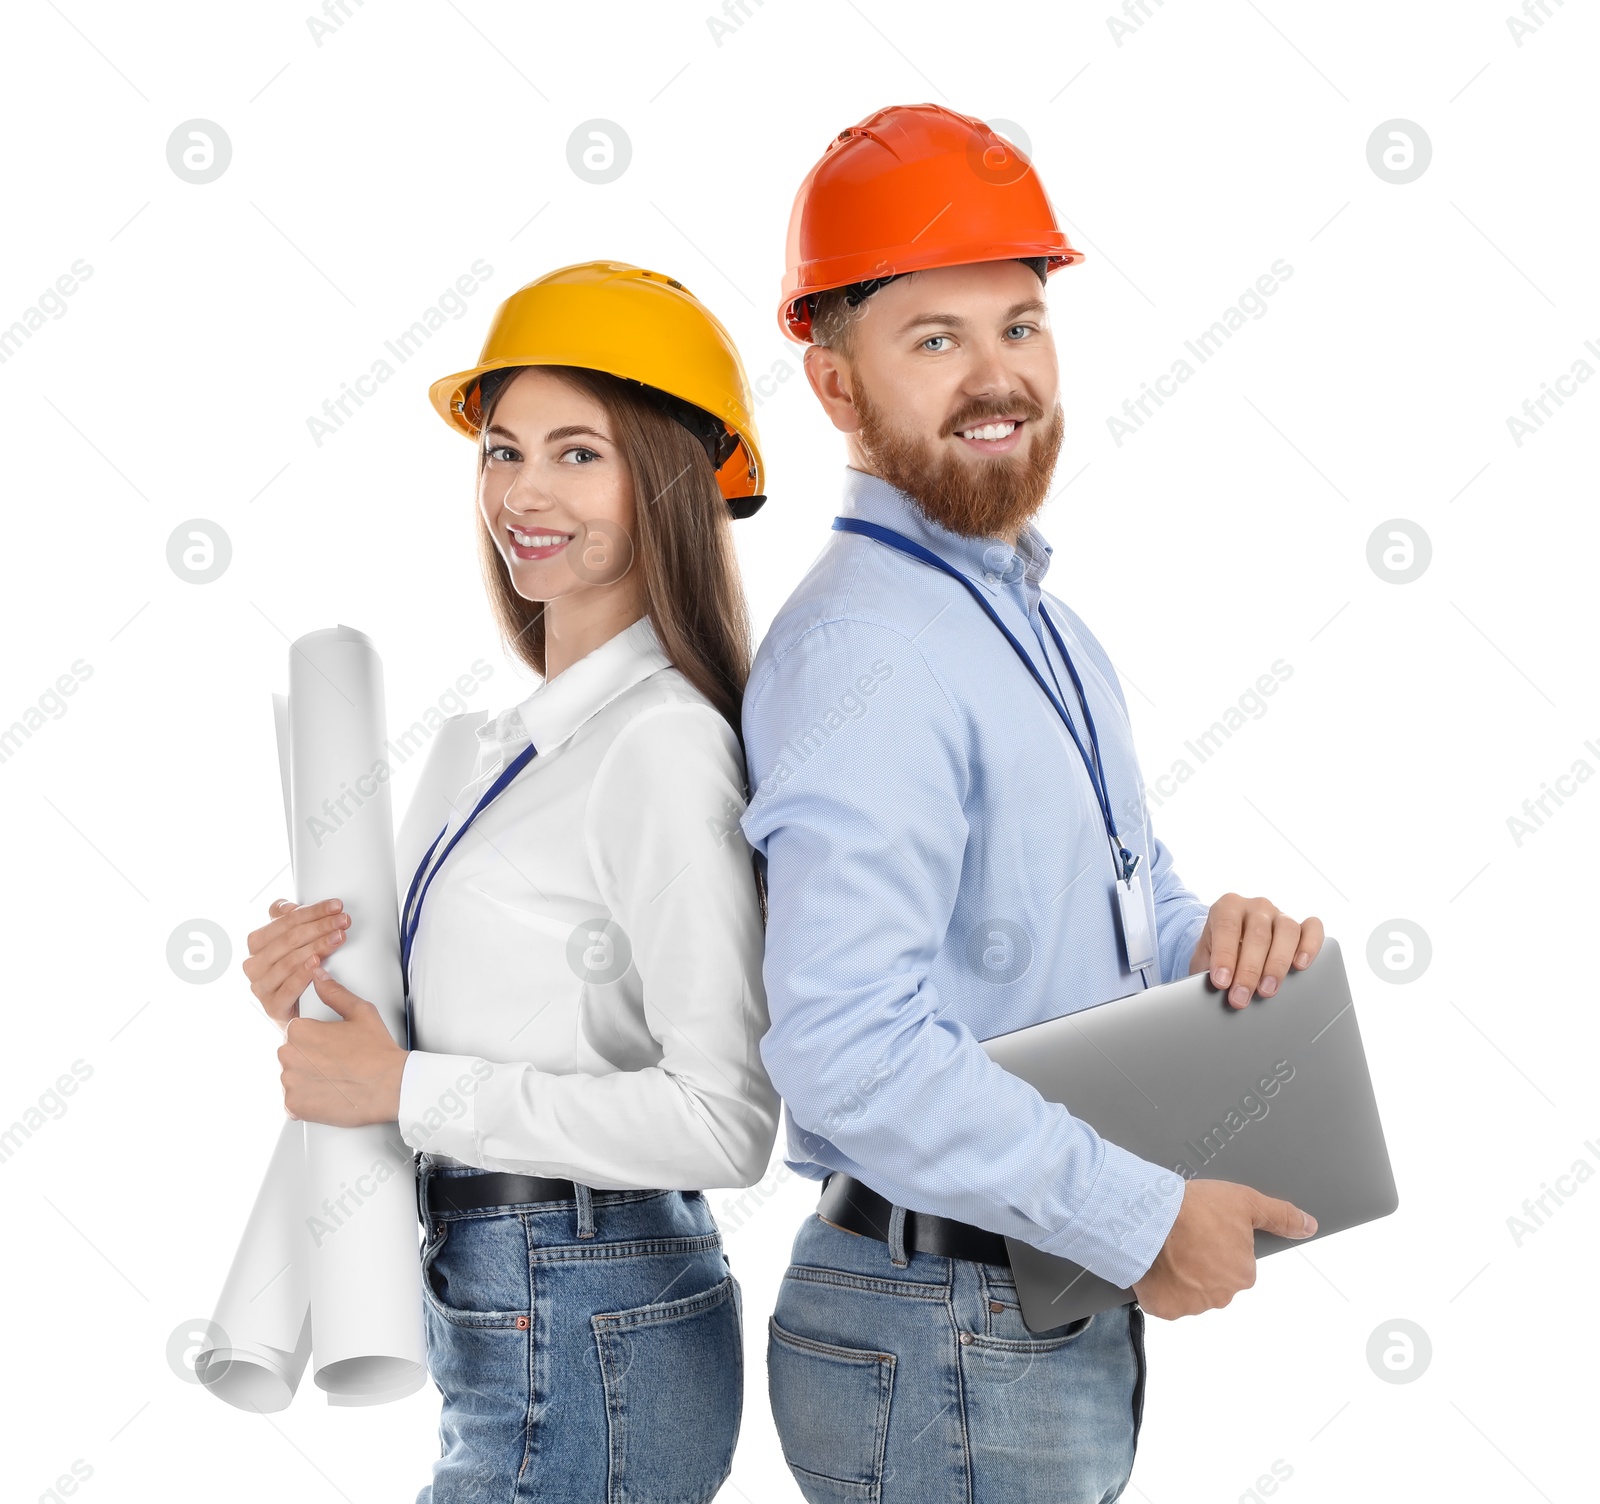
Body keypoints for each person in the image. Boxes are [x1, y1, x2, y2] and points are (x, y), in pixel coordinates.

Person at [741, 104, 1324, 1503]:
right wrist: (1138, 1217)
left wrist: (1208, 940)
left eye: (1020, 323)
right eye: (933, 339)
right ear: (834, 387)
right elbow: (845, 1048)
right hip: (939, 1316)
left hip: (1018, 1310)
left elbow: (1119, 899)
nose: (996, 375)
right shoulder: (866, 654)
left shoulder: (1043, 630)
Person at [241, 261, 781, 1503]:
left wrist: (404, 1083)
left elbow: (725, 1121)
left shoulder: (663, 744)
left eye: (576, 453)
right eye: (501, 449)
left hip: (594, 1305)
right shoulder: (496, 751)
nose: (523, 492)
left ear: (665, 481)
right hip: (517, 1299)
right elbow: (448, 1040)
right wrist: (323, 1000)